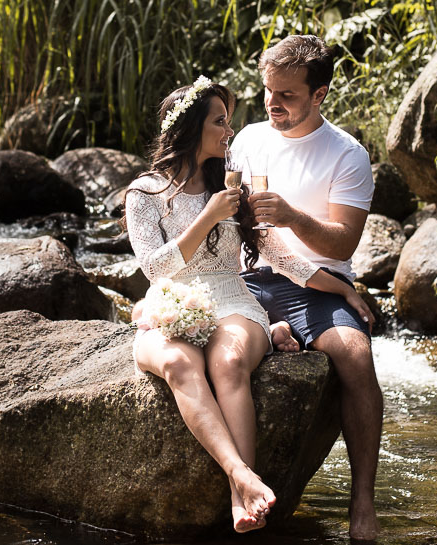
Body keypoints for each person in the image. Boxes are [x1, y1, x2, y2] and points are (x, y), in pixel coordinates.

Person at [125, 77, 366, 534]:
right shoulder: (144, 193)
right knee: (179, 364)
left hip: (234, 300)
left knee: (230, 361)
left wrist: (341, 289)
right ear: (192, 128)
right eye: (220, 121)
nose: (229, 131)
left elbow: (281, 257)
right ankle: (243, 476)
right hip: (170, 300)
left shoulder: (235, 191)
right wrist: (208, 216)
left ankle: (243, 502)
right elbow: (156, 269)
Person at [234, 34, 383, 542]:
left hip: (317, 284)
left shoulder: (347, 155)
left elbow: (343, 245)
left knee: (355, 354)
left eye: (288, 95)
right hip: (248, 275)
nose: (273, 104)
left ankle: (362, 498)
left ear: (319, 95)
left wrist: (293, 216)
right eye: (268, 92)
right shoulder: (247, 140)